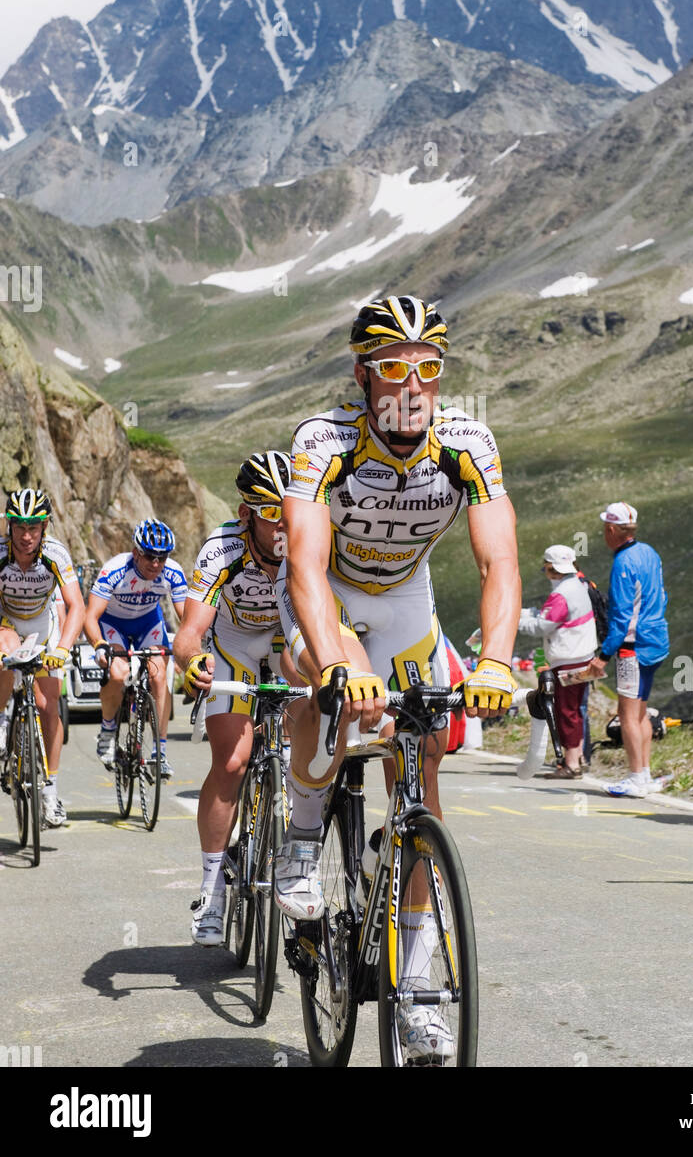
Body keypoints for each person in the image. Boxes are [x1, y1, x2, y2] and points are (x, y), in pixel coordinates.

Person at [276, 294, 520, 1062]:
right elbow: (304, 566)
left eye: (429, 370)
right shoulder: (324, 441)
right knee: (334, 697)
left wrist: (497, 661)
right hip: (331, 595)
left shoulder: (467, 443)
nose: (413, 387)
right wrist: (339, 663)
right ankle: (302, 836)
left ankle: (417, 991)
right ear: (362, 375)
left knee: (419, 772)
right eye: (393, 370)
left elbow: (499, 560)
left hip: (408, 600)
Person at [174, 451, 309, 945]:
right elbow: (190, 632)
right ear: (246, 513)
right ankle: (212, 891)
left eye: (288, 511)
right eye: (271, 514)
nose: (282, 527)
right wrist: (192, 662)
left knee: (311, 723)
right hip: (232, 644)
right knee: (232, 761)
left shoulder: (305, 540)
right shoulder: (222, 548)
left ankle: (301, 846)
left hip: (283, 641)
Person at [0, 488, 85, 827]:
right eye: (18, 526)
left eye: (33, 527)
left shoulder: (55, 553)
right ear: (9, 525)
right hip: (6, 620)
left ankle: (50, 789)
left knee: (49, 705)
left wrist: (63, 648)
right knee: (5, 655)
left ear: (44, 526)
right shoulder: (1, 553)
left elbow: (76, 605)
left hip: (42, 622)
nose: (25, 535)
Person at [84, 519, 187, 779]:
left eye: (161, 558)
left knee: (158, 675)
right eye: (150, 557)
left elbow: (188, 618)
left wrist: (189, 648)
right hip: (113, 623)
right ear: (136, 553)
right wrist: (99, 645)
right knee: (118, 673)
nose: (156, 564)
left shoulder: (173, 572)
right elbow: (90, 615)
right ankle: (108, 731)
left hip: (148, 623)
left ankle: (160, 752)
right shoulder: (115, 570)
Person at [583, 502, 669, 798]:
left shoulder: (623, 562)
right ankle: (644, 774)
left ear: (611, 530)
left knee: (627, 714)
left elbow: (621, 618)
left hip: (633, 646)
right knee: (642, 711)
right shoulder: (650, 552)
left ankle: (635, 778)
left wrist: (603, 655)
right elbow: (662, 595)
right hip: (656, 641)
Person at [518, 544, 597, 777]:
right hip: (584, 656)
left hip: (568, 659)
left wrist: (514, 621)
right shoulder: (578, 586)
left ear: (552, 569)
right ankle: (579, 756)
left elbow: (543, 626)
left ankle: (571, 764)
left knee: (566, 711)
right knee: (576, 710)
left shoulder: (561, 594)